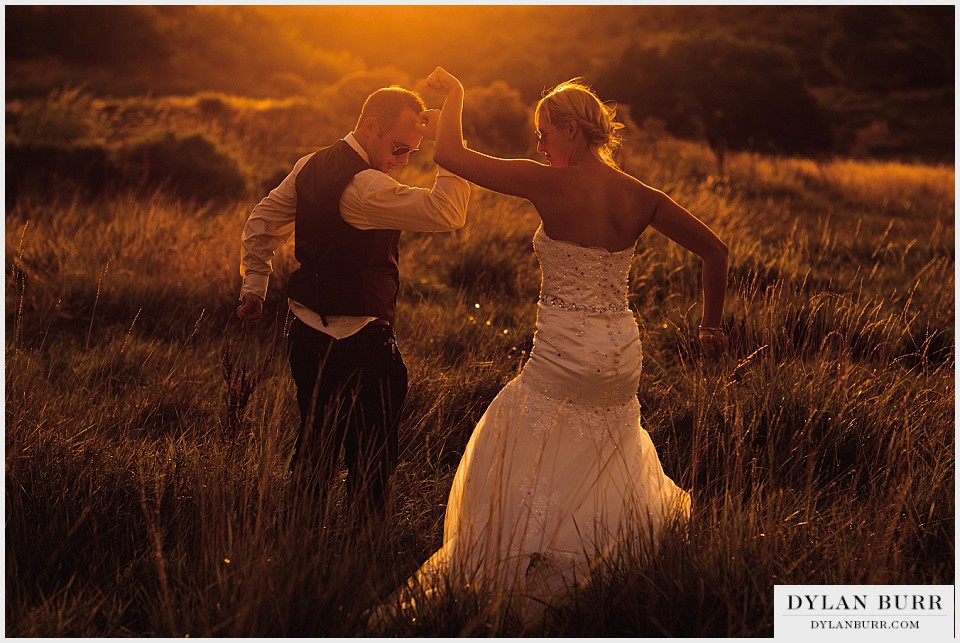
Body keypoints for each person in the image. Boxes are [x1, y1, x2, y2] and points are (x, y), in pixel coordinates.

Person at [384, 67, 729, 623]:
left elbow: (450, 155)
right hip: (621, 353)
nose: (539, 147)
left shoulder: (548, 182)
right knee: (602, 447)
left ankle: (514, 563)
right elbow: (716, 252)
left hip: (566, 350)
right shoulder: (642, 196)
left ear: (571, 131)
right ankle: (593, 552)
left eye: (544, 134)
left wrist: (457, 96)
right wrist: (710, 327)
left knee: (513, 433)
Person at [237, 85, 470, 519]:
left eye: (413, 153)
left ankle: (299, 544)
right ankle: (361, 559)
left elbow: (262, 220)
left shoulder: (310, 164)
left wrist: (255, 284)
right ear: (368, 127)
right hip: (362, 342)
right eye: (399, 148)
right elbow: (447, 213)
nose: (402, 162)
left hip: (304, 331)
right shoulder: (366, 189)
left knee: (313, 449)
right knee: (372, 464)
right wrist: (447, 147)